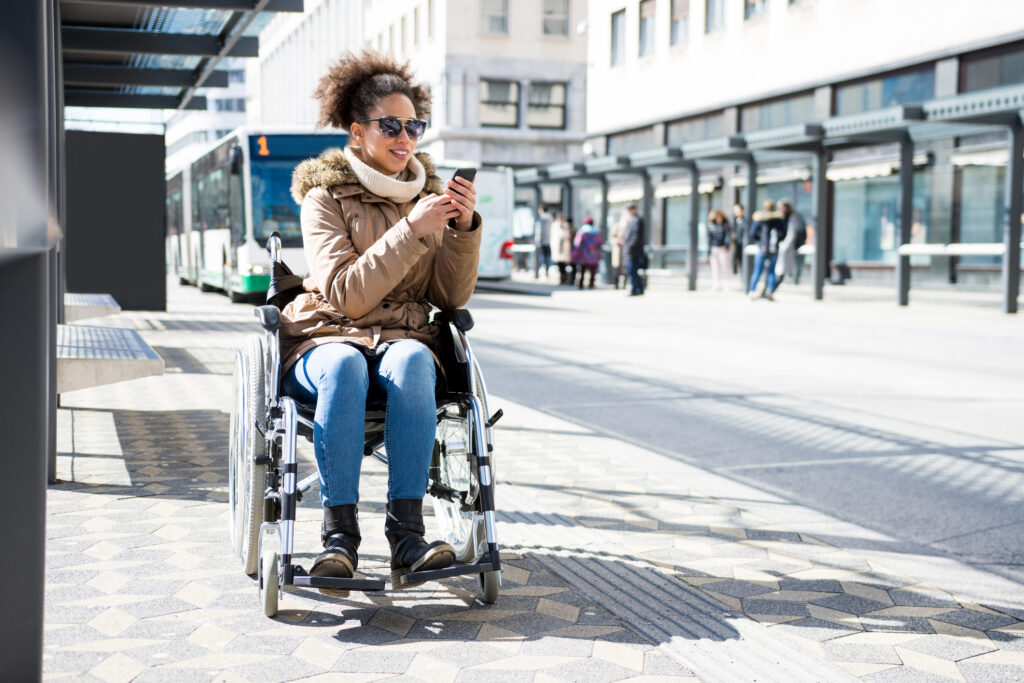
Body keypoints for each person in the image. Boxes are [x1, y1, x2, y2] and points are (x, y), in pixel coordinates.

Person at [279, 50, 482, 593]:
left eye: (414, 125)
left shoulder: (430, 200)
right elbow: (346, 296)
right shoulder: (323, 198)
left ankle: (408, 536)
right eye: (390, 125)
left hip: (403, 338)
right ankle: (338, 536)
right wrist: (412, 230)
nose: (405, 137)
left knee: (418, 359)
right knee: (344, 365)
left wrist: (461, 231)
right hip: (327, 334)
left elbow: (448, 295)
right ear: (356, 131)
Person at [748, 199, 786, 301]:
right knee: (772, 272)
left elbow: (753, 233)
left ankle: (752, 291)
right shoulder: (778, 219)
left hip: (762, 248)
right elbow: (783, 233)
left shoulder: (760, 218)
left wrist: (759, 242)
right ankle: (770, 292)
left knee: (757, 270)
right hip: (774, 249)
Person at [771, 200, 806, 293]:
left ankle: (772, 290)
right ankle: (770, 290)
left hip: (785, 248)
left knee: (781, 270)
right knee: (775, 270)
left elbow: (791, 234)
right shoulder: (778, 218)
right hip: (776, 247)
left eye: (782, 207)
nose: (780, 209)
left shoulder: (791, 219)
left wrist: (784, 245)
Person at [571, 216, 604, 289]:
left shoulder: (582, 231)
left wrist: (576, 252)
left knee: (582, 269)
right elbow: (600, 242)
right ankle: (591, 283)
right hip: (593, 254)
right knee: (593, 270)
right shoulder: (596, 232)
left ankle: (581, 283)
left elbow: (577, 243)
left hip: (583, 254)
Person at [622, 202, 646, 296]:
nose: (629, 211)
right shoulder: (631, 219)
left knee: (632, 269)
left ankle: (636, 288)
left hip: (634, 250)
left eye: (631, 209)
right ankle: (638, 288)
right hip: (630, 249)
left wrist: (630, 246)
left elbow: (636, 236)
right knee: (631, 269)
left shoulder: (637, 220)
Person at [706, 209, 731, 292]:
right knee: (715, 268)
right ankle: (716, 284)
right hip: (714, 248)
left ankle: (726, 284)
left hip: (723, 248)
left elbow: (728, 236)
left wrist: (727, 246)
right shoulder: (711, 226)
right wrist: (709, 249)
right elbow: (709, 238)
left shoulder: (725, 225)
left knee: (725, 267)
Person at [550, 212, 576, 285]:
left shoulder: (566, 228)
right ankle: (567, 279)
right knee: (565, 266)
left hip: (566, 250)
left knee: (567, 266)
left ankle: (566, 279)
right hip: (564, 251)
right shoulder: (559, 227)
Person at [610, 211, 629, 289]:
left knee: (625, 268)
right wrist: (617, 241)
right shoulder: (617, 225)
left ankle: (624, 284)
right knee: (617, 267)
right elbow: (612, 237)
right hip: (618, 249)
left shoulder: (630, 225)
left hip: (626, 249)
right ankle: (616, 284)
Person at [533, 206, 553, 278]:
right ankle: (548, 270)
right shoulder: (551, 218)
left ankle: (542, 271)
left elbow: (539, 231)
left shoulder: (541, 219)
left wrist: (537, 240)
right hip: (550, 240)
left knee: (542, 256)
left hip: (542, 241)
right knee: (548, 256)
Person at [731, 203, 747, 276]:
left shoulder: (745, 221)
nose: (735, 212)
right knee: (736, 259)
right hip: (736, 244)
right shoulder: (733, 221)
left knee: (743, 261)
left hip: (743, 244)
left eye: (737, 210)